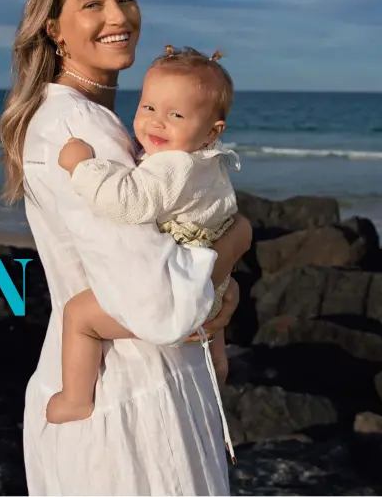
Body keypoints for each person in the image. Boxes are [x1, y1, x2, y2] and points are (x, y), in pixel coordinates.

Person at [0, 0, 252, 495]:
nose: (118, 17)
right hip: (128, 406)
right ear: (54, 28)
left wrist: (220, 290)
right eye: (92, 3)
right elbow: (156, 298)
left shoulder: (89, 120)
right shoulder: (80, 131)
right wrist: (234, 247)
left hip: (130, 391)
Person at [44, 45, 242, 466]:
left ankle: (75, 398)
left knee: (79, 315)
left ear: (211, 131)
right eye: (149, 105)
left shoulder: (172, 166)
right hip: (211, 278)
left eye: (176, 115)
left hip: (179, 284)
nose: (155, 121)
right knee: (218, 323)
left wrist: (82, 166)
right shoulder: (209, 162)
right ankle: (219, 372)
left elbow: (128, 201)